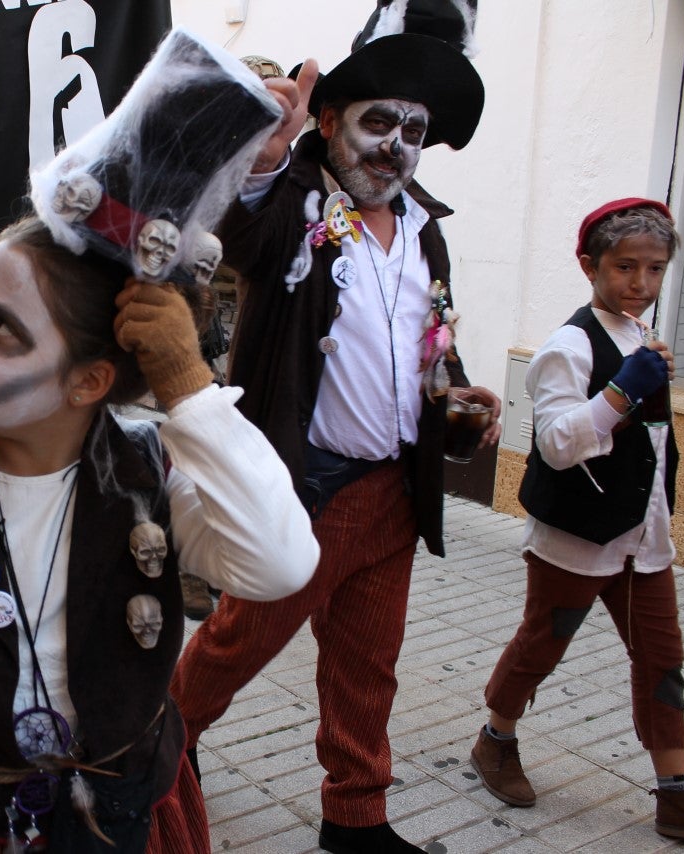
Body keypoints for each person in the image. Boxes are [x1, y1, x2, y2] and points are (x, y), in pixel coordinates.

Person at [0, 212, 318, 853]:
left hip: (128, 806)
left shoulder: (151, 472)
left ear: (88, 381)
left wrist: (188, 386)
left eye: (3, 328)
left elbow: (281, 564)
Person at [168, 3, 503, 852]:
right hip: (308, 487)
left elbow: (429, 342)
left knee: (367, 665)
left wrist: (458, 398)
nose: (395, 143)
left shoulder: (427, 233)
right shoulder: (296, 210)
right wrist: (262, 159)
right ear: (329, 123)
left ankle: (356, 817)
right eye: (378, 121)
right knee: (234, 646)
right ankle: (158, 746)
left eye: (413, 130)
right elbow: (239, 231)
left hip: (396, 490)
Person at [469, 198, 684, 845]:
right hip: (576, 541)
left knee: (662, 661)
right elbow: (556, 442)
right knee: (542, 645)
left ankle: (676, 792)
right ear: (590, 265)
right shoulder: (569, 346)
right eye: (625, 267)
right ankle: (495, 738)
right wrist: (621, 393)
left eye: (655, 269)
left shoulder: (642, 340)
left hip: (644, 539)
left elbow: (655, 442)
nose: (640, 283)